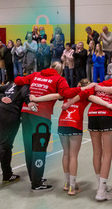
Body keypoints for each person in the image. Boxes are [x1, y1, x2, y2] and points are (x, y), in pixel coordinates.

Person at [30, 79, 112, 196]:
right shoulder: (85, 95)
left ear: (78, 84)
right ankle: (72, 186)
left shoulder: (68, 93)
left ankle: (67, 182)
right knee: (73, 156)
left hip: (62, 124)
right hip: (75, 125)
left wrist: (36, 99)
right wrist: (108, 104)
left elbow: (54, 95)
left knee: (66, 154)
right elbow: (94, 98)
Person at [14, 61, 88, 191]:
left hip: (26, 112)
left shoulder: (35, 75)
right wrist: (82, 89)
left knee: (29, 146)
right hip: (41, 116)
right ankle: (36, 183)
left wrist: (31, 92)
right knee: (39, 149)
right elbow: (67, 93)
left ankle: (34, 178)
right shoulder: (59, 79)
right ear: (60, 71)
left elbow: (17, 80)